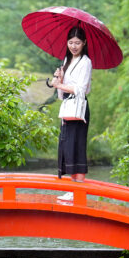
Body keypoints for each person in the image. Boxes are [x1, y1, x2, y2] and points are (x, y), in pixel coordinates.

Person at [51, 25, 92, 200]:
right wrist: (58, 79)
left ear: (84, 43)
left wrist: (60, 85)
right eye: (70, 42)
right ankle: (72, 188)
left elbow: (82, 89)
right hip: (68, 107)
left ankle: (78, 190)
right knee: (67, 146)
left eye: (77, 43)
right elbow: (62, 95)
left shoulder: (86, 62)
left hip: (79, 108)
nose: (73, 46)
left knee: (78, 146)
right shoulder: (66, 62)